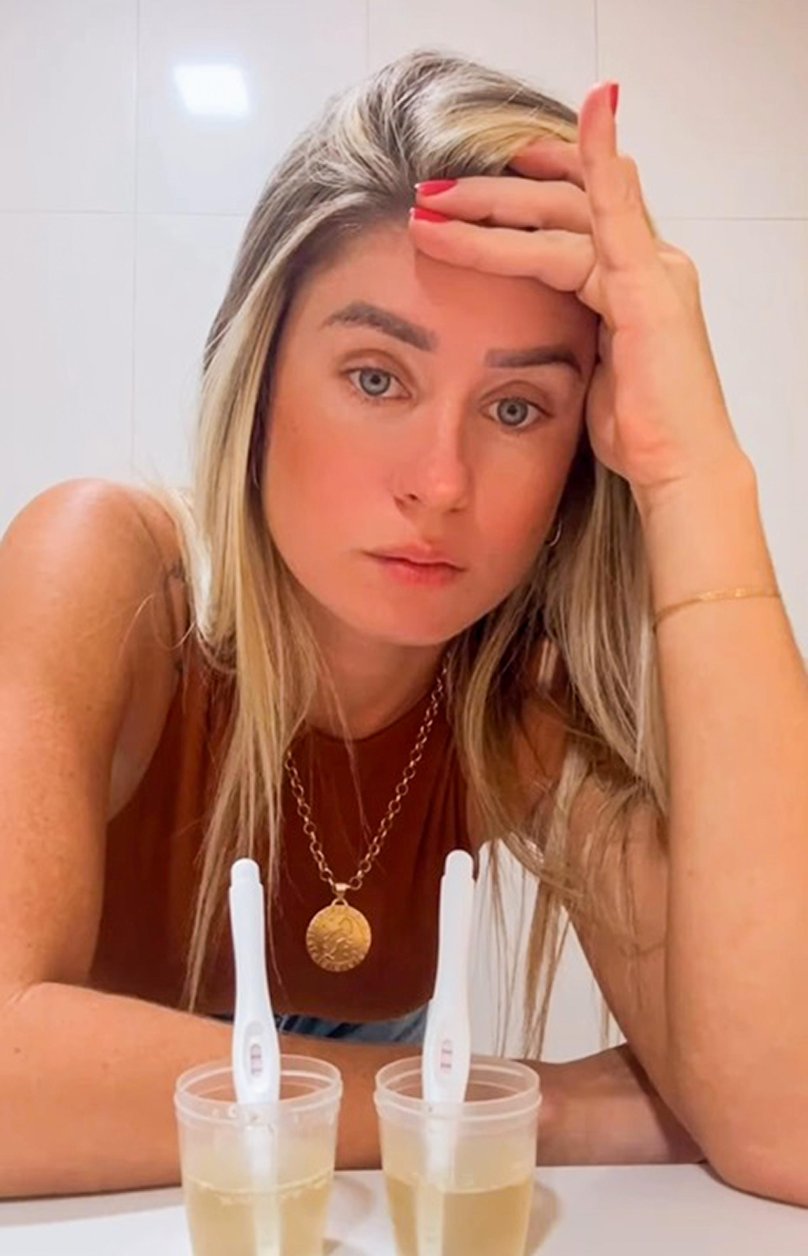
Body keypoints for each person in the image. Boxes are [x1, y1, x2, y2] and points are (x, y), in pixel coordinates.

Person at [1, 47, 806, 1205]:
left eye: (517, 407)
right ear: (259, 381)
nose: (441, 481)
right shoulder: (112, 577)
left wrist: (699, 479)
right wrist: (512, 1103)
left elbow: (789, 1122)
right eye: (376, 378)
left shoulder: (520, 705)